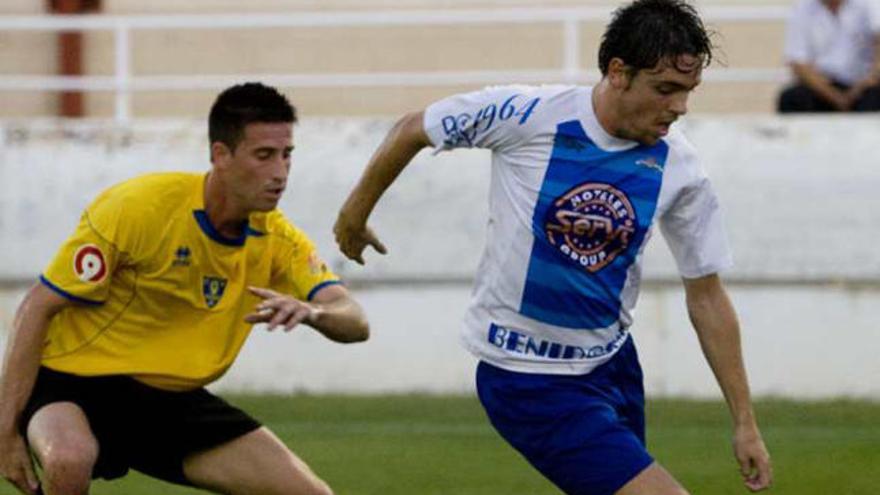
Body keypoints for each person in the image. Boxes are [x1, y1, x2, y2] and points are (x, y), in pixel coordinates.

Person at [333, 1, 772, 494]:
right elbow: (415, 127)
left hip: (612, 366)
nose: (679, 107)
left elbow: (708, 296)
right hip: (527, 379)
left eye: (688, 92)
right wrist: (355, 213)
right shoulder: (527, 114)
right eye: (665, 89)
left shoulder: (681, 168)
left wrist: (744, 422)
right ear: (618, 72)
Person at [0, 82, 369, 495]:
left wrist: (315, 314)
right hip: (72, 382)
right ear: (220, 156)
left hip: (171, 404)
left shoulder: (280, 241)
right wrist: (5, 431)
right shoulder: (139, 208)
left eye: (287, 155)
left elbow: (355, 320)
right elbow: (37, 306)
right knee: (69, 459)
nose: (280, 173)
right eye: (264, 155)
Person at [778, 0, 880, 112]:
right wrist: (835, 97)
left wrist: (862, 86)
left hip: (865, 84)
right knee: (791, 98)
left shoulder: (869, 4)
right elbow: (798, 63)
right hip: (824, 85)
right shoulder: (802, 9)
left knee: (874, 97)